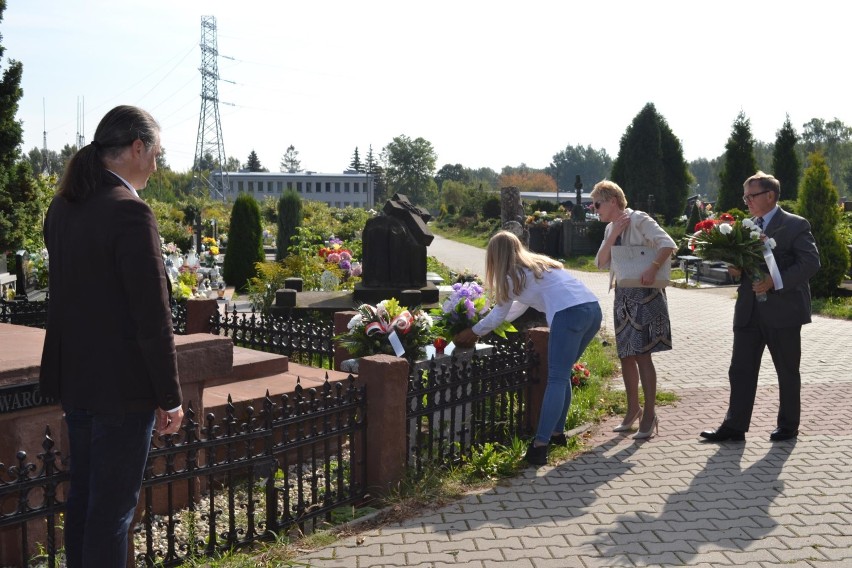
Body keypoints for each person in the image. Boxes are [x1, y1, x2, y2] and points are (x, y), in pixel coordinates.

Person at [39, 105, 184, 567]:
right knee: (112, 514)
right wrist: (170, 395)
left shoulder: (62, 207)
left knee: (83, 502)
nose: (157, 166)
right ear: (137, 148)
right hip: (122, 392)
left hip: (76, 383)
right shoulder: (130, 213)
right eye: (156, 154)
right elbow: (152, 317)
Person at [454, 231, 602, 465]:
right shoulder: (538, 266)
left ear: (495, 257)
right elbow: (514, 310)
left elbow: (499, 314)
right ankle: (556, 434)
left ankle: (539, 446)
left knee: (555, 378)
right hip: (592, 311)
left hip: (568, 314)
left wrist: (473, 332)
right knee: (562, 376)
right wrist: (484, 327)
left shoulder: (510, 278)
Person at [700, 171, 820, 443]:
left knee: (787, 371)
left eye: (751, 195)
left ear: (770, 195)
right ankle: (734, 427)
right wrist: (736, 268)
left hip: (783, 312)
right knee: (740, 369)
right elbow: (747, 265)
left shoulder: (795, 225)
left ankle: (788, 427)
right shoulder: (746, 225)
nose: (746, 201)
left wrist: (774, 281)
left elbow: (810, 263)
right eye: (744, 196)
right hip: (749, 312)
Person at [591, 180, 676, 440]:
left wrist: (651, 267)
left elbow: (668, 243)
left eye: (597, 204)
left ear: (612, 201)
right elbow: (599, 263)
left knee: (642, 356)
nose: (595, 210)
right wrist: (614, 233)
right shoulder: (609, 229)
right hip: (624, 297)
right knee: (626, 355)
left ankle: (649, 415)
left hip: (646, 294)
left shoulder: (640, 219)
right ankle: (632, 411)